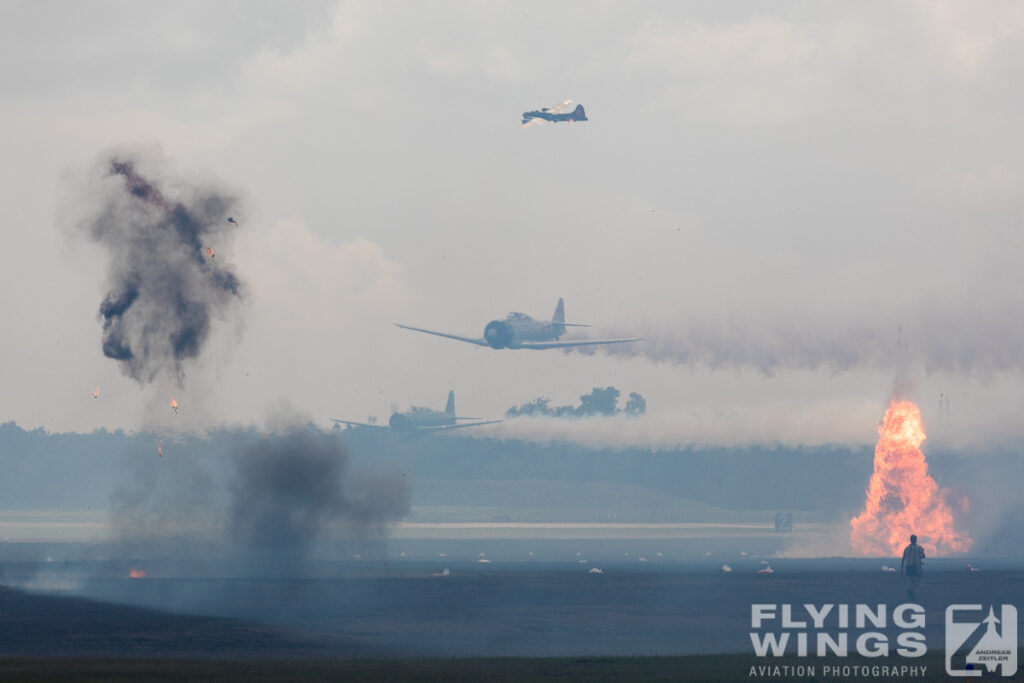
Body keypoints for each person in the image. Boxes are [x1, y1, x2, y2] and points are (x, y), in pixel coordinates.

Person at [900, 534, 925, 600]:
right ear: (916, 540)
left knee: (911, 580)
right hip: (915, 566)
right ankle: (911, 591)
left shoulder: (906, 548)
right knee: (916, 580)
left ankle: (911, 591)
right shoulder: (919, 547)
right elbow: (923, 555)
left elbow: (903, 558)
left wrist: (902, 568)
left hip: (908, 567)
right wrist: (919, 557)